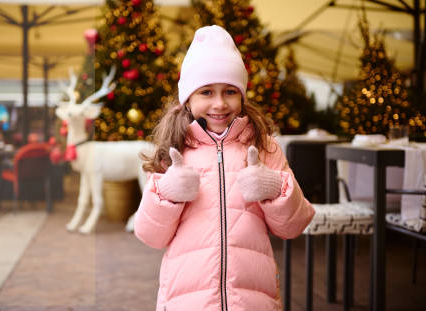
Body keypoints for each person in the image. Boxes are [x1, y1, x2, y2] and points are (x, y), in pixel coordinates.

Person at [134, 25, 315, 311]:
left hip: (253, 299)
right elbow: (150, 235)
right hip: (187, 300)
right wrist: (167, 193)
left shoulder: (265, 147)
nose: (219, 103)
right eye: (206, 91)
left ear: (242, 95)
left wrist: (275, 188)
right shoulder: (173, 150)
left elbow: (294, 226)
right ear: (188, 99)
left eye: (230, 91)